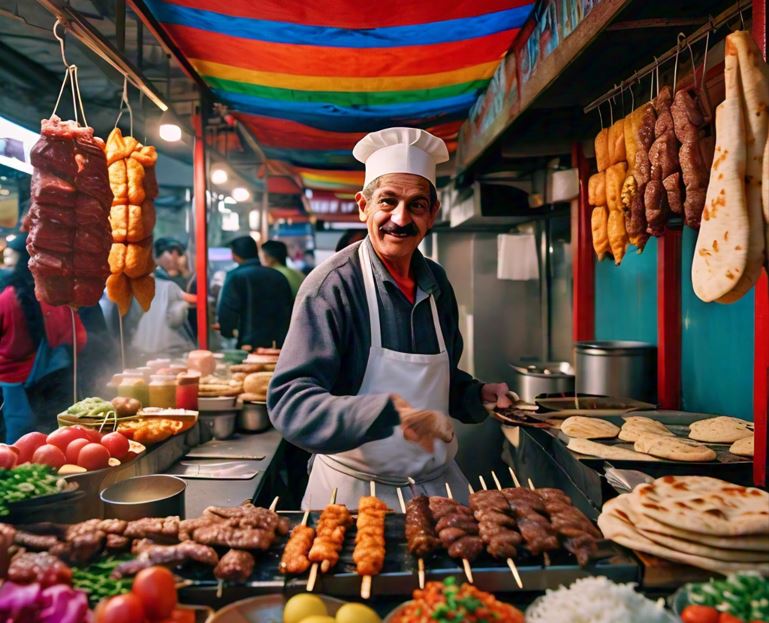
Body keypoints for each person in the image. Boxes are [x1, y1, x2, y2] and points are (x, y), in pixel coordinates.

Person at [268, 127, 512, 509]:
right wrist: (383, 412)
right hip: (351, 496)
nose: (400, 219)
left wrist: (474, 395)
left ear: (432, 214)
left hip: (438, 491)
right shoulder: (331, 287)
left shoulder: (437, 284)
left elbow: (440, 384)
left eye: (416, 204)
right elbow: (290, 403)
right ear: (363, 206)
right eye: (387, 201)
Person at [0, 234, 86, 441]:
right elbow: (79, 339)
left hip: (12, 384)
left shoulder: (6, 299)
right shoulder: (53, 298)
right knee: (52, 440)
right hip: (50, 380)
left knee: (19, 446)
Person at [217, 236, 293, 349]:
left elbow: (227, 310)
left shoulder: (234, 276)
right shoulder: (278, 276)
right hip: (278, 345)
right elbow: (288, 311)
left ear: (234, 255)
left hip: (246, 344)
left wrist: (226, 331)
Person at [131, 275, 195, 358]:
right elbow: (176, 318)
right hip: (167, 346)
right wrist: (185, 305)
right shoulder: (170, 286)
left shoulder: (138, 287)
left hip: (143, 344)